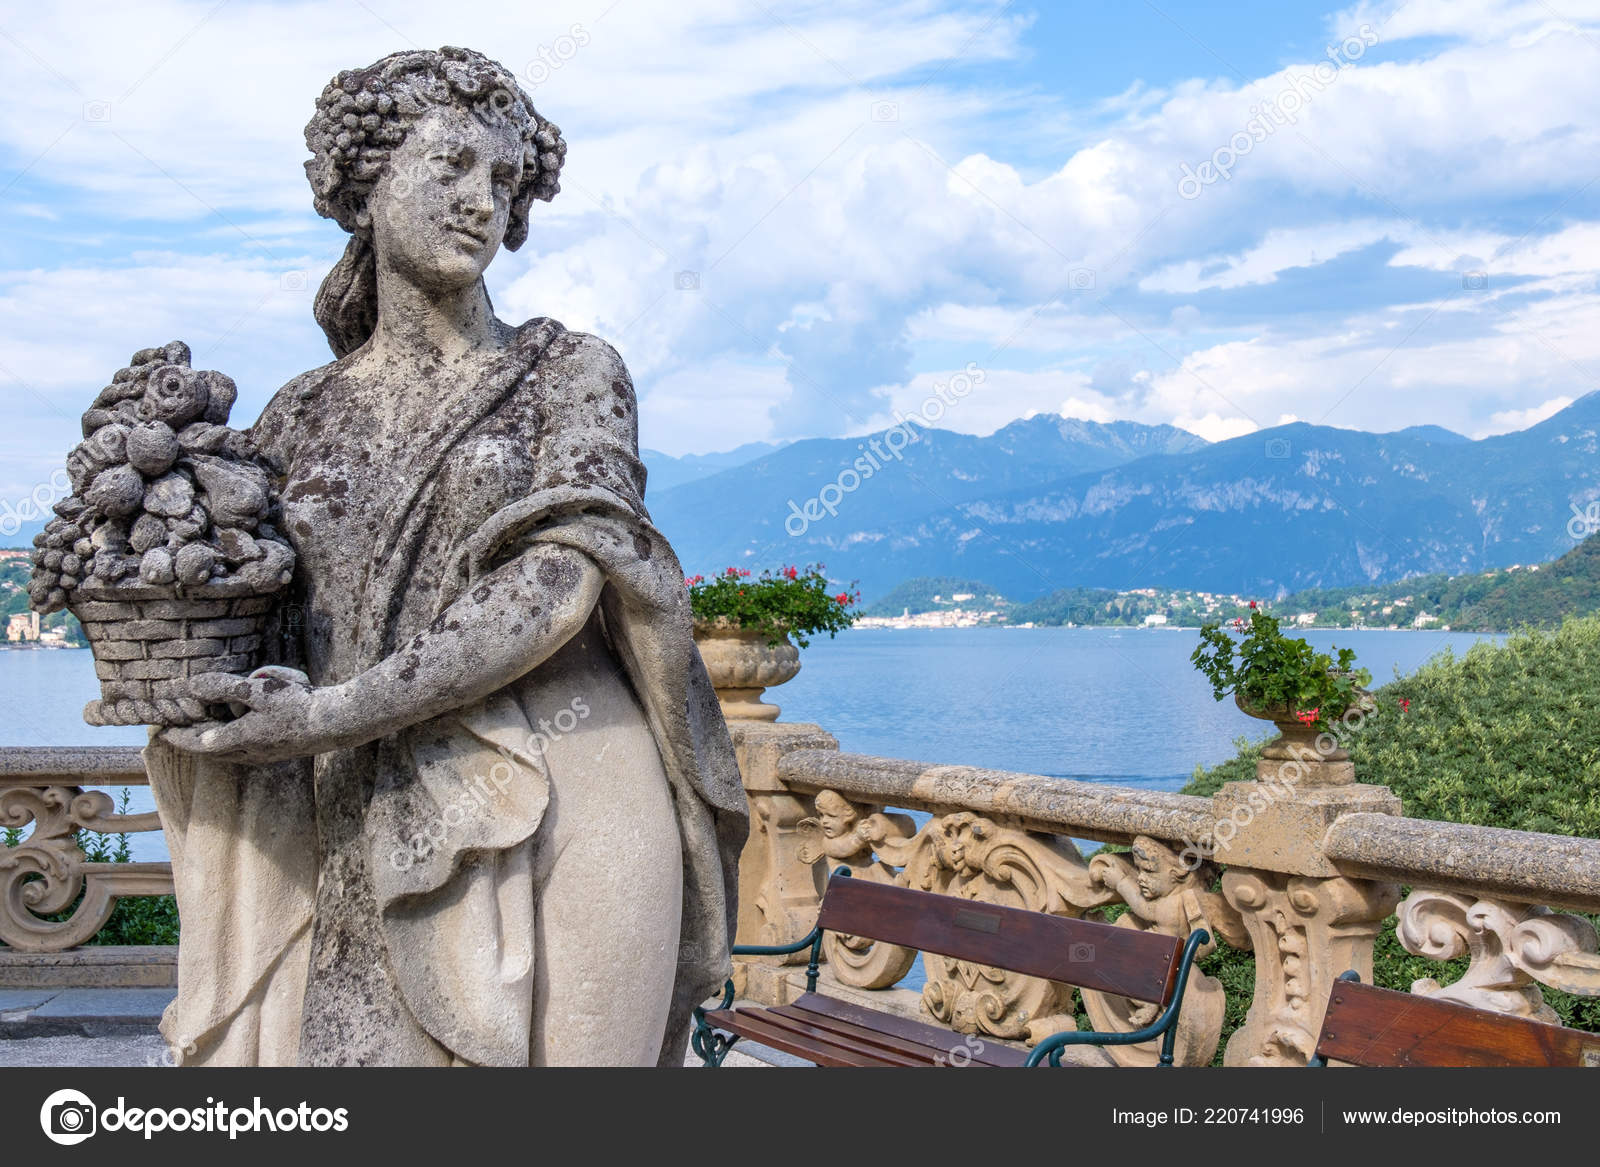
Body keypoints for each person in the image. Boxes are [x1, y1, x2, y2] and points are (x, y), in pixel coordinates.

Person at [148, 46, 746, 1067]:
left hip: (566, 792)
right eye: (452, 168)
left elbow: (556, 583)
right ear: (367, 185)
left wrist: (328, 715)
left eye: (504, 183)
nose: (482, 203)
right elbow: (242, 607)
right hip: (344, 800)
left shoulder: (569, 372)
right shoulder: (299, 413)